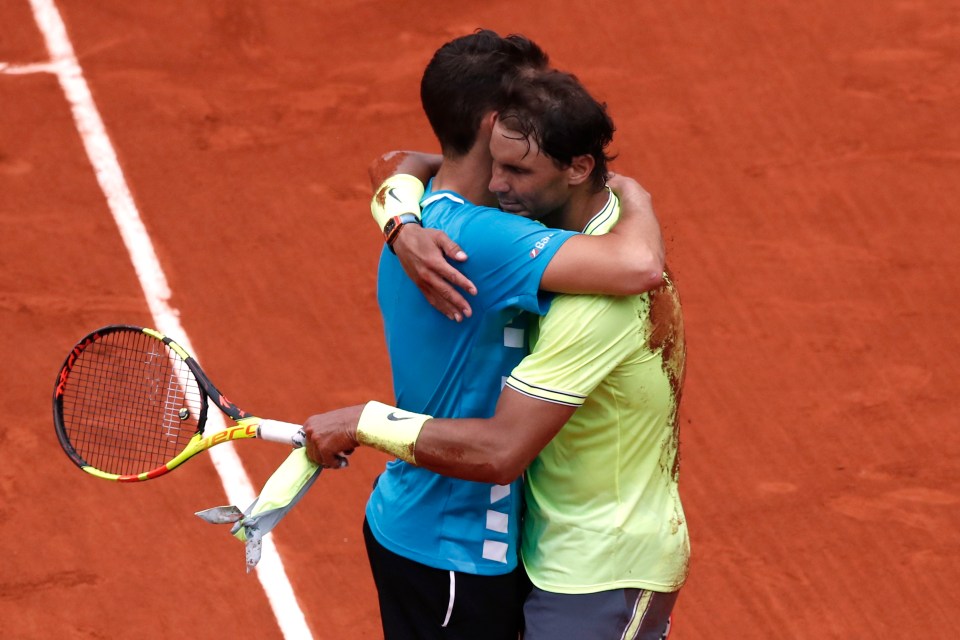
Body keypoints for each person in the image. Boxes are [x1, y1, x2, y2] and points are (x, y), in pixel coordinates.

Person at [305, 68, 688, 639]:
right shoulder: (583, 218)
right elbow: (403, 161)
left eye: (515, 171)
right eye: (494, 163)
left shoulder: (599, 300)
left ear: (578, 168)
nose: (496, 186)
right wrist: (401, 225)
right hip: (551, 553)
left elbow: (502, 449)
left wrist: (365, 422)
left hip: (604, 570)